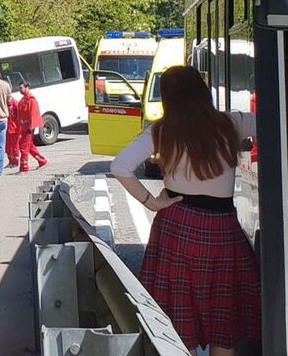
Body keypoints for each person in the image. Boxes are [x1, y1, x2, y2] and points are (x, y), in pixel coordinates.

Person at [110, 66, 260, 356]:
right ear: (202, 91)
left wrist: (151, 202)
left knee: (178, 322)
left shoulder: (161, 131)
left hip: (176, 226)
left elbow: (120, 166)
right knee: (223, 321)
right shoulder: (231, 123)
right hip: (221, 229)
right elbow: (275, 120)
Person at [17, 82, 47, 173]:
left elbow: (33, 114)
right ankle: (42, 161)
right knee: (29, 146)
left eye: (21, 88)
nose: (20, 90)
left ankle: (24, 167)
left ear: (27, 88)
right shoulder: (23, 100)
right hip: (24, 127)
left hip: (29, 127)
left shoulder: (31, 100)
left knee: (24, 147)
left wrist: (31, 127)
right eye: (19, 88)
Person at [6, 95, 20, 168]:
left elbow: (19, 117)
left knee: (15, 146)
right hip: (7, 128)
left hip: (15, 129)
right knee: (8, 146)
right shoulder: (5, 103)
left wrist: (20, 128)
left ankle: (16, 162)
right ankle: (10, 161)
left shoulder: (16, 103)